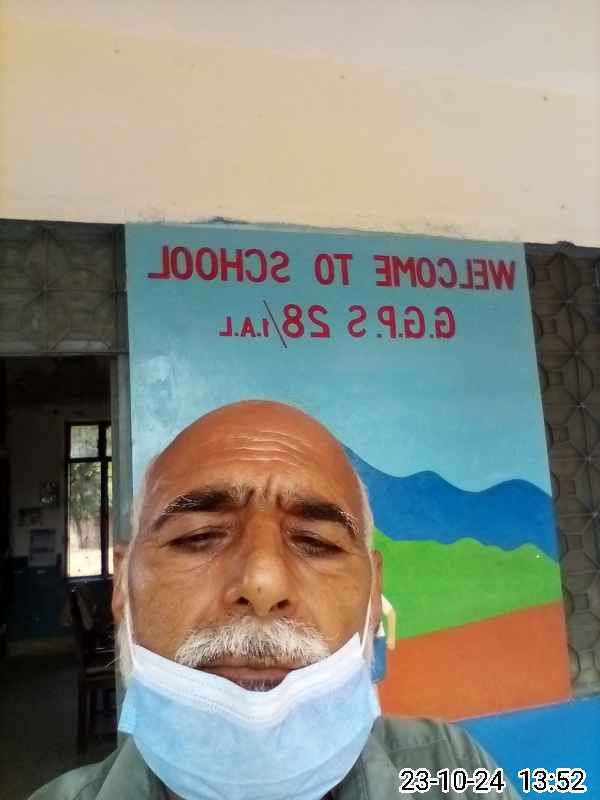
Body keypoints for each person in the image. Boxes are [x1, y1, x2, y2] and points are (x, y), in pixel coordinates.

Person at [31, 400, 519, 800]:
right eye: (198, 536)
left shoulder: (455, 773)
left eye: (316, 542)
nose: (262, 583)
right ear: (122, 587)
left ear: (373, 598)